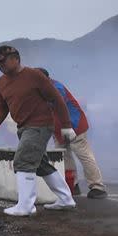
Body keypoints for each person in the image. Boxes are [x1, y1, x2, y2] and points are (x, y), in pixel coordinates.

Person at [0, 46, 76, 216]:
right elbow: (2, 107)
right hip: (24, 127)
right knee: (40, 165)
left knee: (23, 160)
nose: (0, 65)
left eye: (3, 61)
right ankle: (66, 199)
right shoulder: (0, 83)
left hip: (40, 125)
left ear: (16, 59)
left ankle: (25, 206)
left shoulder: (34, 76)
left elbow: (57, 99)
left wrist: (66, 126)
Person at [37, 68, 107, 199]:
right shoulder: (43, 89)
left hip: (74, 125)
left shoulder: (56, 87)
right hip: (58, 129)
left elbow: (56, 104)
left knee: (84, 154)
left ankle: (97, 186)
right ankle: (72, 185)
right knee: (64, 157)